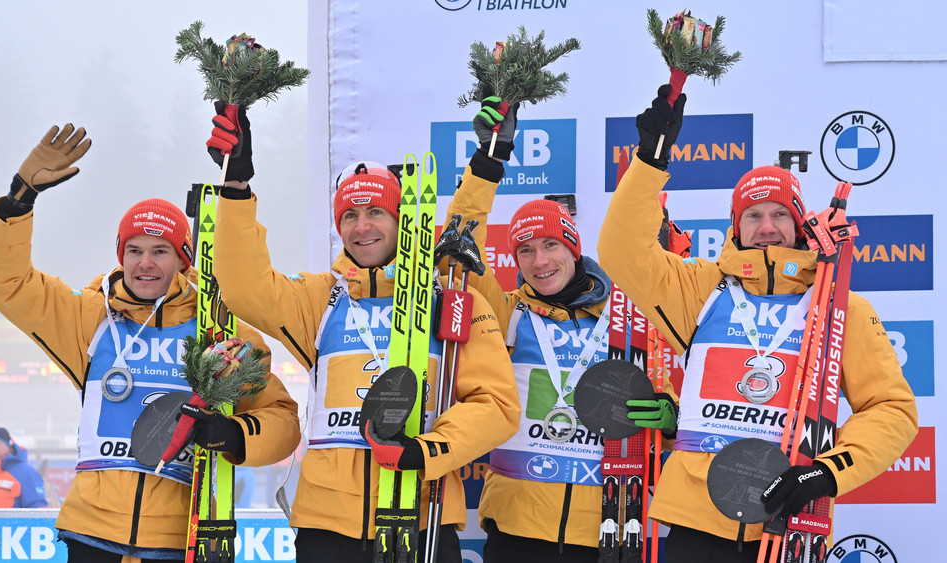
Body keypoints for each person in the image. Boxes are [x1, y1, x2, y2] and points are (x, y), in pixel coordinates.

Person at [597, 85, 918, 562]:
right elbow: (622, 252)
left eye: (778, 215)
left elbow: (892, 410)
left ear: (799, 224)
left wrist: (828, 473)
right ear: (735, 225)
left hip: (788, 524)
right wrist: (648, 162)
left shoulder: (838, 306)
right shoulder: (701, 288)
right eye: (753, 215)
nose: (766, 227)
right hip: (695, 519)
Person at [204, 105, 521, 562]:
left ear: (400, 220)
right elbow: (244, 289)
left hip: (420, 509)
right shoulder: (320, 298)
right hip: (327, 523)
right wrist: (235, 188)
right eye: (349, 216)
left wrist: (426, 452)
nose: (362, 226)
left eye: (375, 211)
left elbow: (496, 404)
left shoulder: (447, 296)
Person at [0, 124, 301, 562]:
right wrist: (19, 201)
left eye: (160, 251)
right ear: (120, 256)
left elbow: (282, 421)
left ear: (183, 260)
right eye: (134, 250)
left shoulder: (223, 331)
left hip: (179, 537)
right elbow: (7, 282)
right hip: (91, 529)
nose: (145, 263)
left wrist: (235, 434)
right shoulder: (89, 316)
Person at [440, 97, 678, 561]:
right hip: (518, 529)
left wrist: (667, 416)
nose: (540, 261)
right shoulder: (505, 315)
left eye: (551, 245)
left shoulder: (627, 320)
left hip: (608, 528)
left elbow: (664, 406)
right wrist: (487, 163)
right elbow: (456, 248)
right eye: (525, 250)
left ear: (574, 249)